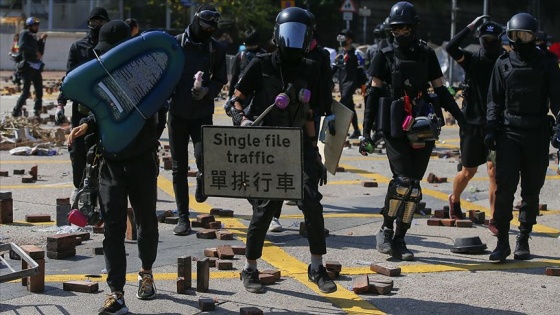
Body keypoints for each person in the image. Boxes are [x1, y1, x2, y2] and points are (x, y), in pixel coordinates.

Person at [227, 7, 336, 294]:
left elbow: (310, 113)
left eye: (300, 35)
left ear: (309, 38)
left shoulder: (311, 68)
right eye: (289, 34)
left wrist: (315, 153)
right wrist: (244, 120)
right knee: (264, 209)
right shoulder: (260, 65)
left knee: (312, 203)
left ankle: (317, 267)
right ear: (277, 35)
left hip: (299, 144)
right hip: (266, 146)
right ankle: (249, 268)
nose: (293, 41)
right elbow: (234, 101)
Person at [67, 20, 166, 315]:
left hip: (142, 162)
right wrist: (86, 125)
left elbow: (156, 120)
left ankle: (146, 273)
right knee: (112, 229)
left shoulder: (149, 77)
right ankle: (116, 293)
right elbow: (102, 113)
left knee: (146, 223)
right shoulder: (102, 78)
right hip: (110, 164)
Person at [361, 1, 466, 261]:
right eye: (396, 29)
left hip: (422, 125)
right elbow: (372, 95)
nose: (401, 33)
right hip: (395, 125)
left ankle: (400, 238)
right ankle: (385, 230)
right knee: (402, 182)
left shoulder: (426, 54)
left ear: (414, 28)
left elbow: (441, 90)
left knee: (415, 187)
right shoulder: (383, 54)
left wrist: (462, 119)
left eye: (406, 28)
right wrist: (365, 131)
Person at [485, 13, 560, 262]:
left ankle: (523, 237)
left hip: (537, 133)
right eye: (515, 35)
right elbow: (494, 101)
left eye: (525, 35)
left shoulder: (547, 63)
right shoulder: (502, 63)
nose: (520, 40)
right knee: (505, 189)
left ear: (534, 37)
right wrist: (489, 129)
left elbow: (557, 101)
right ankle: (502, 241)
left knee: (531, 190)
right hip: (509, 133)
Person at [169, 4, 227, 236]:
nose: (208, 30)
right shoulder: (175, 44)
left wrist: (208, 90)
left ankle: (203, 178)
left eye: (212, 27)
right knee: (178, 167)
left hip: (202, 113)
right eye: (205, 25)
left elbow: (221, 78)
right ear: (196, 21)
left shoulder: (215, 48)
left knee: (205, 157)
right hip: (177, 113)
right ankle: (183, 216)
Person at [445, 17, 504, 234]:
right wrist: (470, 25)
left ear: (499, 40)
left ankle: (493, 218)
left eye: (492, 39)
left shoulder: (504, 60)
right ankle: (454, 199)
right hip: (472, 123)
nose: (488, 43)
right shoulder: (472, 59)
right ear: (480, 39)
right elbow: (450, 47)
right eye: (485, 39)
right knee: (468, 171)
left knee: (493, 172)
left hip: (496, 124)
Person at [55, 7, 109, 202]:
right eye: (93, 23)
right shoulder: (78, 48)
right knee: (78, 150)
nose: (96, 26)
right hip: (81, 108)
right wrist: (60, 105)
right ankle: (79, 189)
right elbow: (69, 78)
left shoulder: (113, 49)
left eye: (101, 22)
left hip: (105, 107)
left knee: (104, 150)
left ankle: (103, 194)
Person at [12, 17, 47, 118]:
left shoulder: (33, 36)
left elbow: (40, 52)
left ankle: (37, 111)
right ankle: (16, 112)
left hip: (35, 67)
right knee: (26, 92)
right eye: (34, 25)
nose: (36, 27)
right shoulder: (25, 34)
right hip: (27, 67)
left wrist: (41, 40)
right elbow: (22, 46)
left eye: (37, 25)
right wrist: (34, 51)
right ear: (30, 26)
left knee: (39, 90)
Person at [333, 29, 362, 139]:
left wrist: (361, 87)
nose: (342, 40)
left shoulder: (355, 54)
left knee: (341, 106)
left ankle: (336, 130)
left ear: (350, 40)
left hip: (350, 84)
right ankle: (357, 131)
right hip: (342, 84)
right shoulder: (341, 54)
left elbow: (361, 71)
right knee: (350, 109)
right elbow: (334, 69)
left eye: (344, 38)